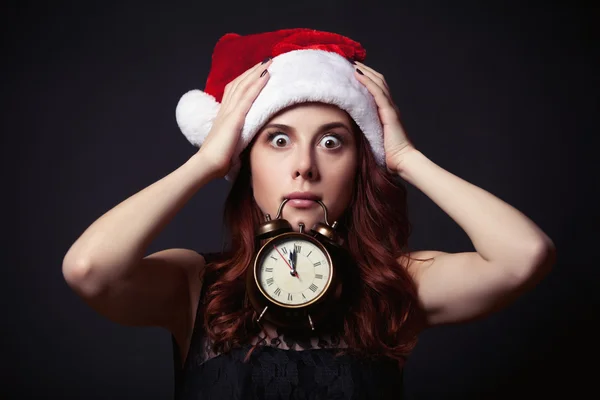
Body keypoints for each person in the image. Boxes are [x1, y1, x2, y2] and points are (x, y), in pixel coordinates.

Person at [62, 28, 556, 399]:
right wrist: (209, 161)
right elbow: (89, 269)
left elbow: (524, 256)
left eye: (331, 141)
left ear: (359, 162)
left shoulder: (395, 284)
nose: (304, 166)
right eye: (278, 140)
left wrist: (404, 156)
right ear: (245, 159)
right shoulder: (195, 284)